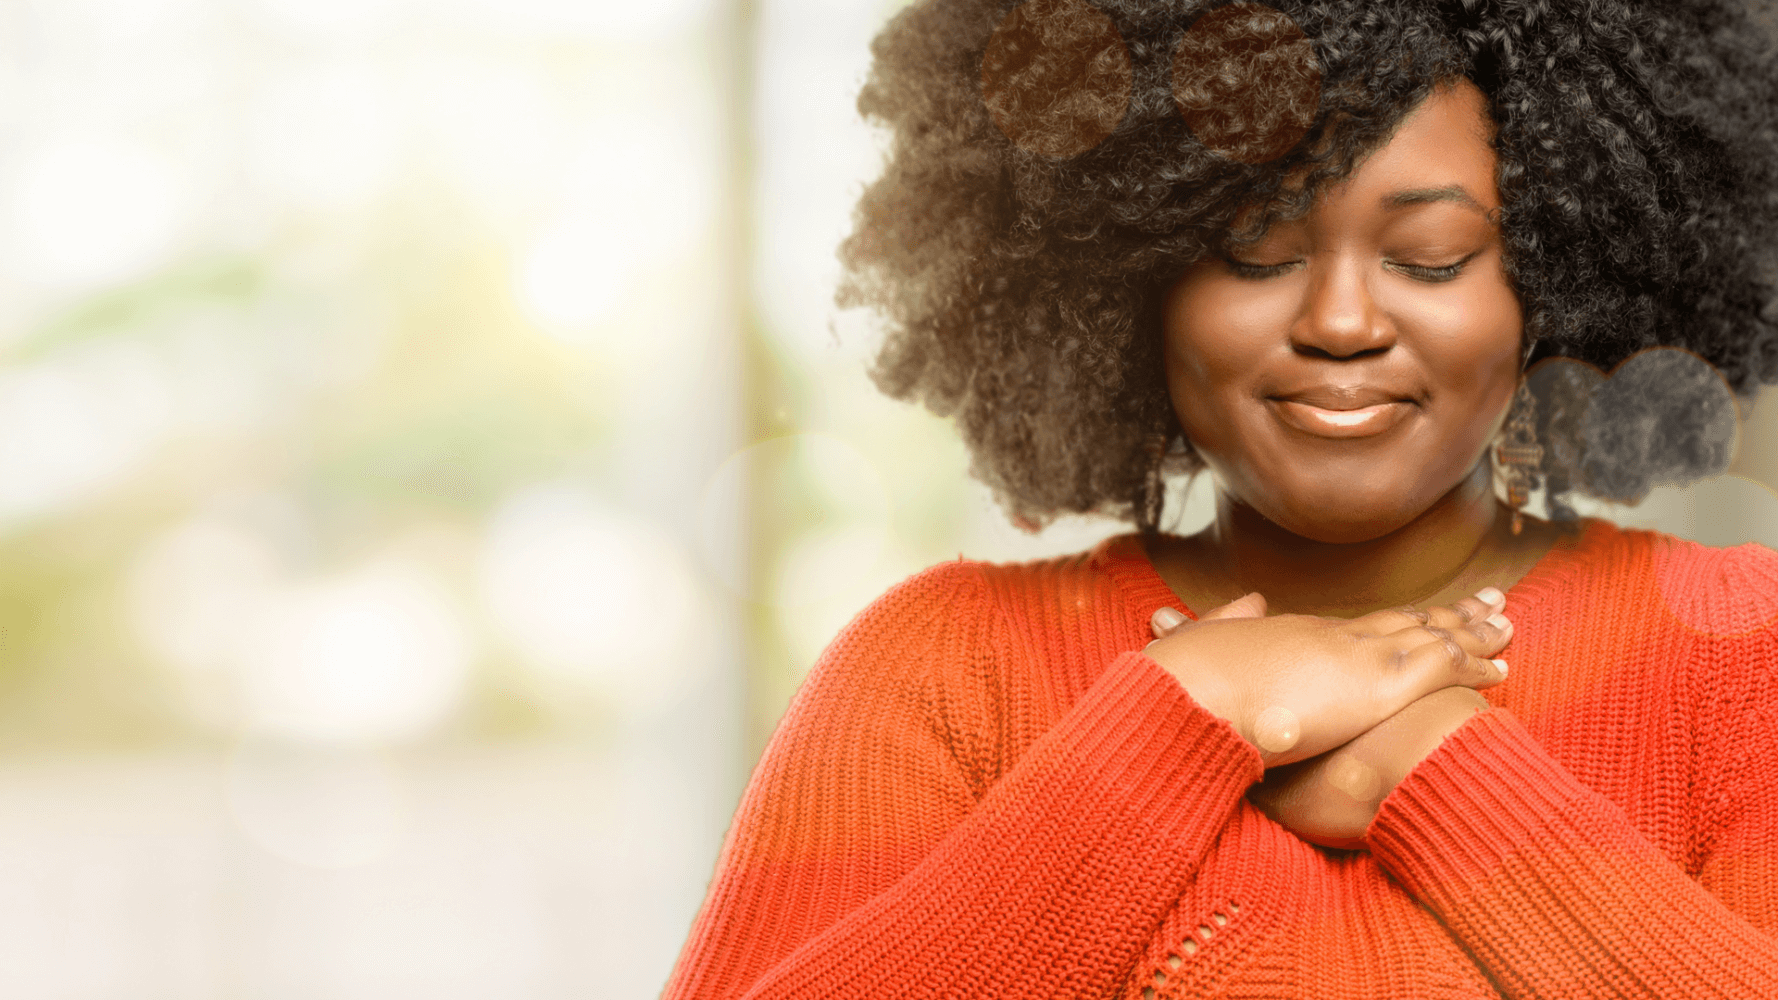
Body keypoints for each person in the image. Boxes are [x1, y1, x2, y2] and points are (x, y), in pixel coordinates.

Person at [664, 1, 1778, 997]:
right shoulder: (941, 669)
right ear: (1130, 277)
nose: (1341, 322)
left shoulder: (1740, 655)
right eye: (1253, 248)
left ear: (1549, 274)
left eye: (1431, 256)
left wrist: (1435, 767)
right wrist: (1183, 715)